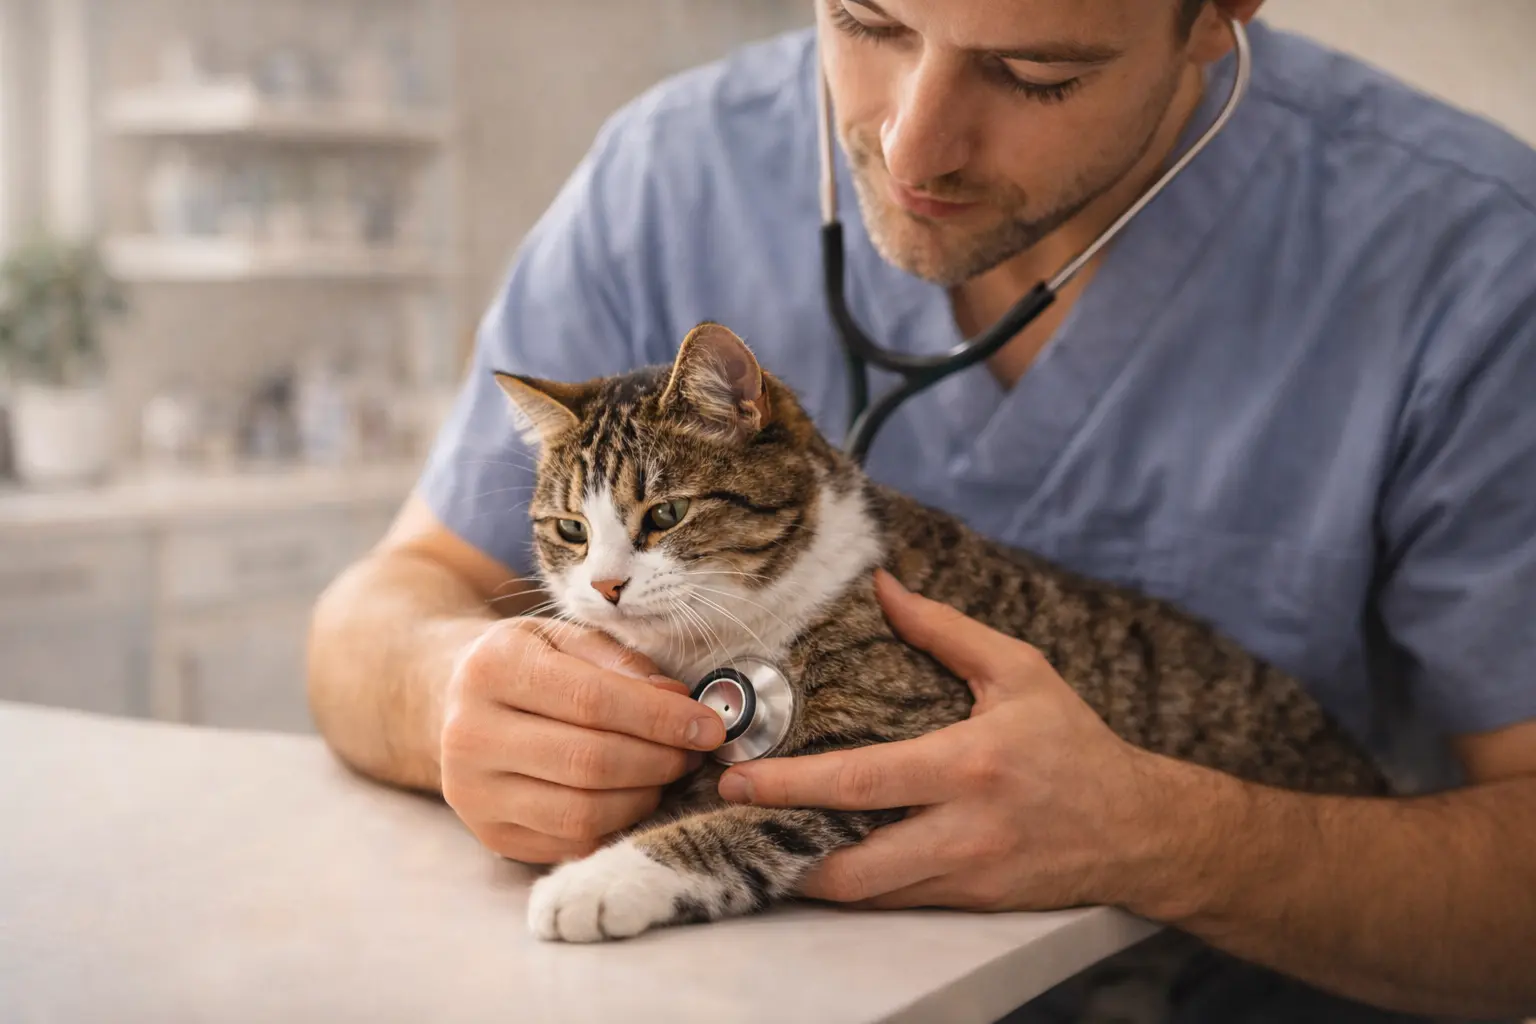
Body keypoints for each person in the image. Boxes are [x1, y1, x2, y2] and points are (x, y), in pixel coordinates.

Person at [306, 0, 1536, 1019]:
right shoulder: (668, 172)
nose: (911, 149)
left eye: (1037, 71)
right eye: (867, 21)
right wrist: (446, 691)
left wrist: (1166, 836)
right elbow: (384, 606)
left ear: (1218, 15)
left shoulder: (1472, 261)